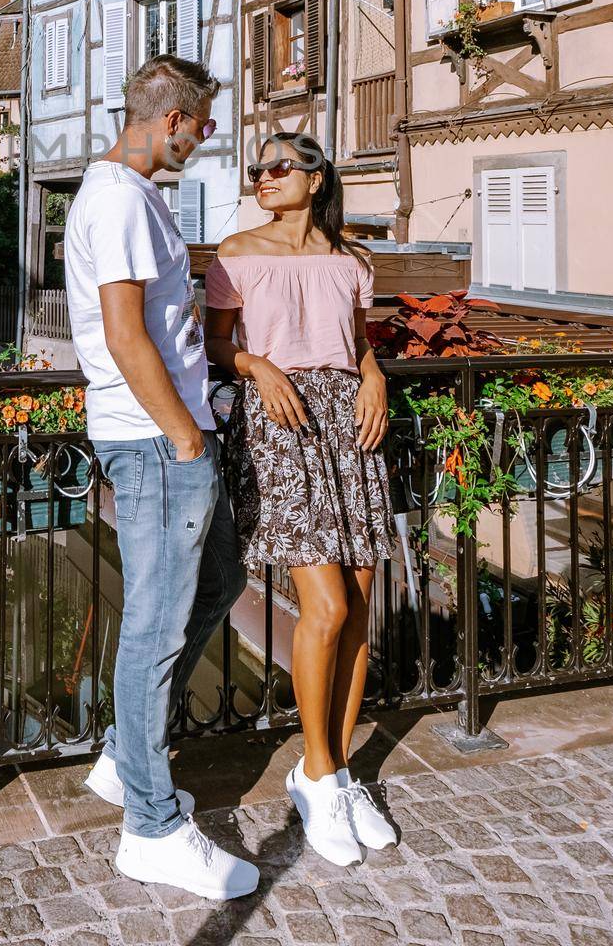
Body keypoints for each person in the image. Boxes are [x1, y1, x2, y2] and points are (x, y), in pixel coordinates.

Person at [63, 54, 257, 901]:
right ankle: (151, 826)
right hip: (155, 441)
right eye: (203, 124)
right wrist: (183, 436)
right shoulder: (117, 200)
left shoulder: (133, 200)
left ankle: (123, 757)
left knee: (218, 581)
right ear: (171, 119)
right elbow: (124, 333)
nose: (205, 139)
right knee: (155, 627)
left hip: (169, 437)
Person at [204, 132, 397, 868]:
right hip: (281, 425)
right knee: (326, 608)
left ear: (317, 179)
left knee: (360, 610)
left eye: (280, 167)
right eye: (257, 169)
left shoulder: (352, 260)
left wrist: (374, 375)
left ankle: (337, 773)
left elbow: (356, 342)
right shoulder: (237, 251)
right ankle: (316, 775)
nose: (264, 177)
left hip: (350, 423)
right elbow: (213, 342)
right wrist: (255, 365)